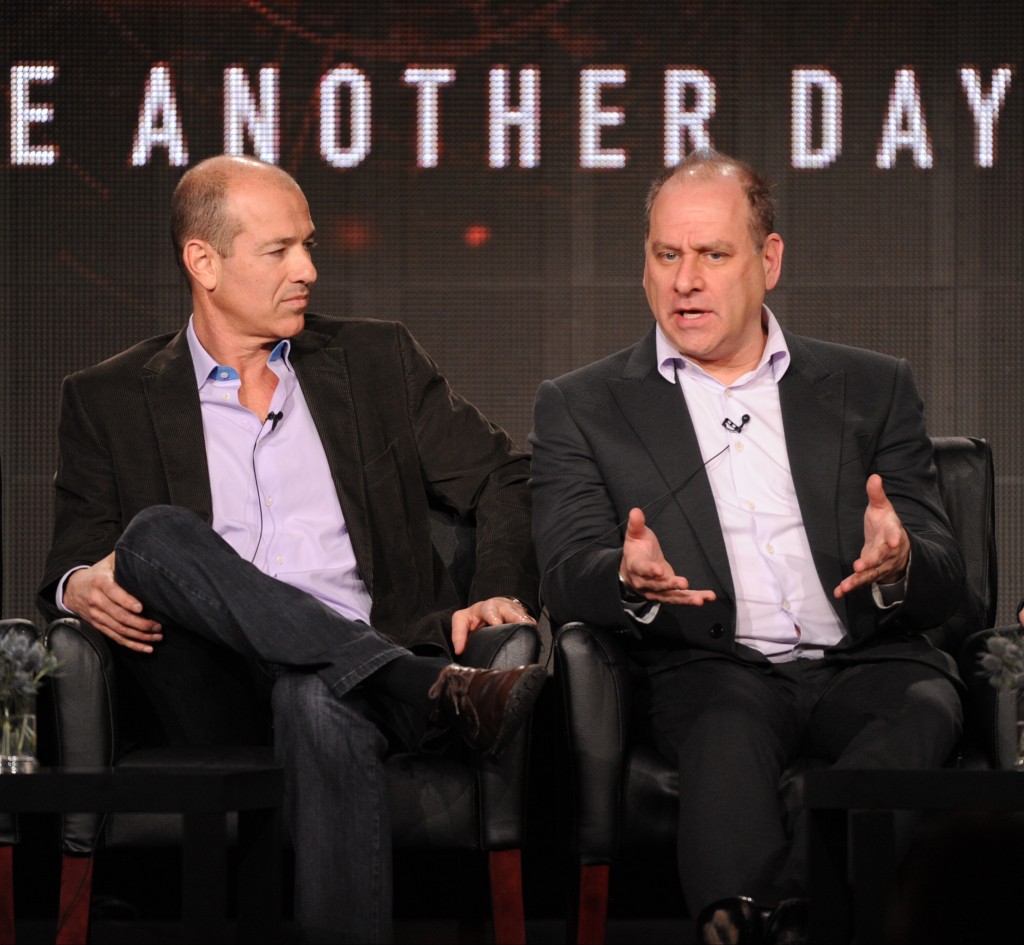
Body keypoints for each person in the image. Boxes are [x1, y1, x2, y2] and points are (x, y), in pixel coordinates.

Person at [38, 154, 544, 943]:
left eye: (308, 245)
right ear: (202, 261)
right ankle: (420, 684)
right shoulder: (107, 396)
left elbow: (506, 476)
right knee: (153, 535)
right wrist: (77, 584)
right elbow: (74, 552)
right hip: (210, 686)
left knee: (316, 692)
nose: (307, 269)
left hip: (351, 681)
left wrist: (497, 586)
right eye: (279, 251)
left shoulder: (376, 363)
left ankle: (376, 674)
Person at [529, 149, 968, 944]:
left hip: (867, 659)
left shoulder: (872, 388)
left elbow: (945, 574)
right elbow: (566, 574)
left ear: (767, 261)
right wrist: (627, 577)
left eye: (712, 255)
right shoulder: (584, 406)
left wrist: (900, 561)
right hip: (714, 664)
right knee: (723, 729)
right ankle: (754, 921)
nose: (685, 280)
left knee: (923, 707)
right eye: (667, 255)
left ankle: (793, 913)